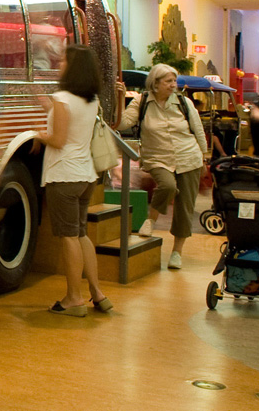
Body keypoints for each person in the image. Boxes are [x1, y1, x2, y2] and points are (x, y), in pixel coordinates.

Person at [32, 46, 112, 316]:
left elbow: (57, 140)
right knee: (80, 235)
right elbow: (70, 121)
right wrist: (48, 107)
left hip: (64, 176)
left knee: (68, 238)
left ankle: (73, 298)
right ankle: (97, 293)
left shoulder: (62, 97)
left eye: (64, 60)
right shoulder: (91, 100)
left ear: (73, 67)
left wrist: (35, 133)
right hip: (86, 175)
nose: (60, 63)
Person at [119, 64, 207, 269]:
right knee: (167, 185)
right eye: (168, 81)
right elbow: (122, 123)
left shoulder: (184, 103)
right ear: (155, 84)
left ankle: (177, 252)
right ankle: (151, 218)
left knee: (185, 206)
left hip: (188, 156)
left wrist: (203, 158)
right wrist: (119, 99)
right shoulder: (141, 103)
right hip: (158, 157)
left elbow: (198, 130)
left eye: (174, 81)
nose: (173, 85)